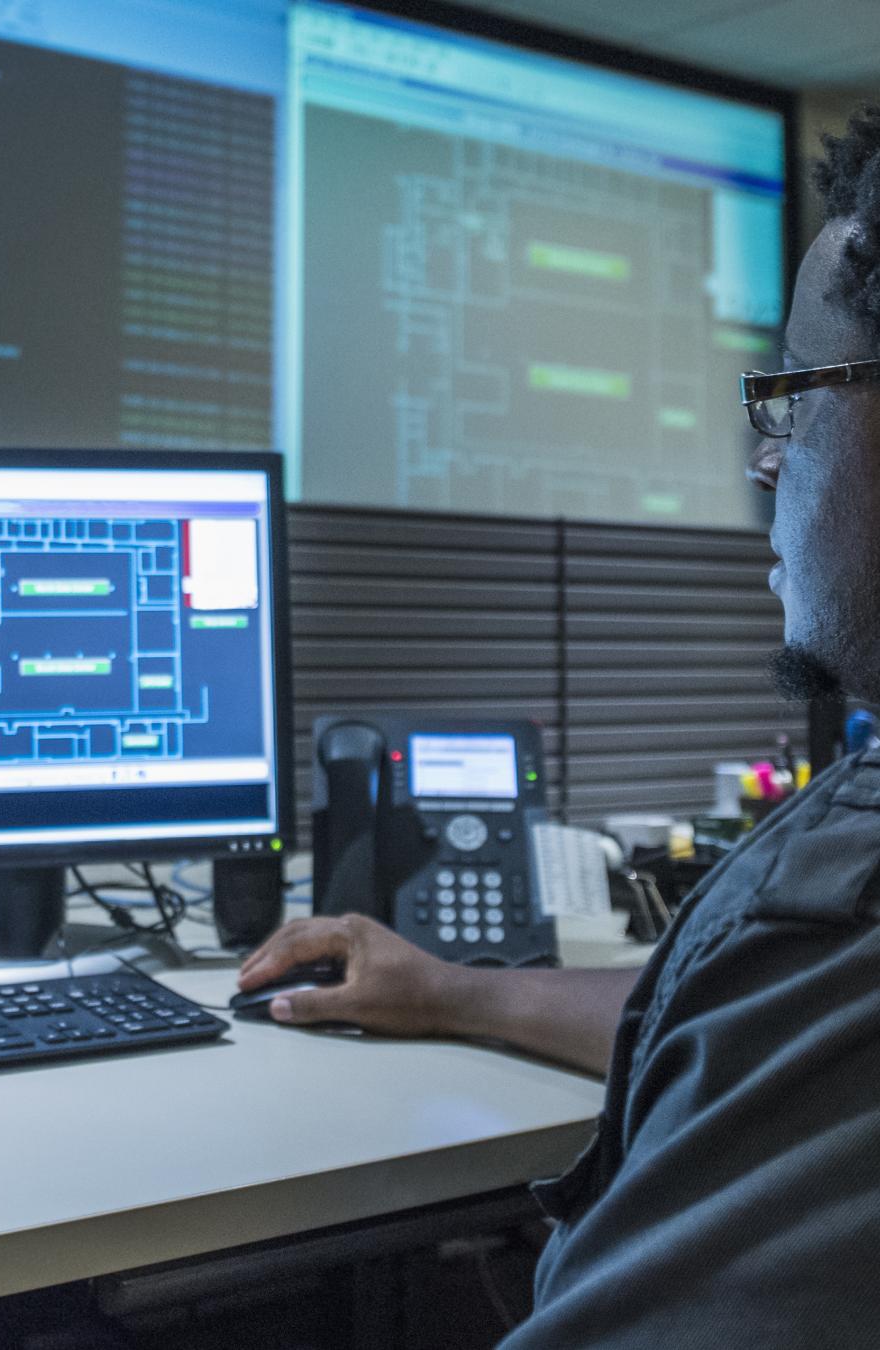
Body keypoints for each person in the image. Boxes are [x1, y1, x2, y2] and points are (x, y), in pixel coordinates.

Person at [238, 107, 880, 1347]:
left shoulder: (848, 918)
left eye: (791, 395)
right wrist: (455, 990)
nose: (763, 461)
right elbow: (749, 1032)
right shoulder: (821, 973)